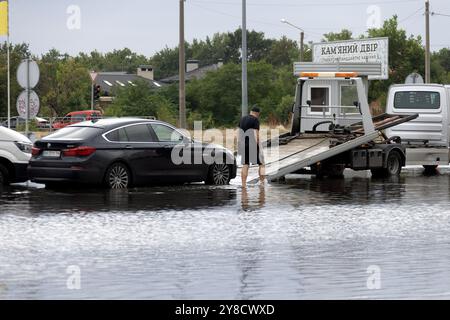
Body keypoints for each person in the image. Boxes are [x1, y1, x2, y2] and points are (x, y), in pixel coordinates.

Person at [238, 106, 265, 187]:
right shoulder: (255, 120)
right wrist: (259, 147)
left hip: (243, 144)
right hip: (252, 144)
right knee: (262, 164)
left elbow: (239, 132)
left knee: (245, 164)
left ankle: (243, 185)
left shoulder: (242, 119)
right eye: (258, 114)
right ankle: (262, 183)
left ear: (251, 111)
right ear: (257, 113)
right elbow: (256, 134)